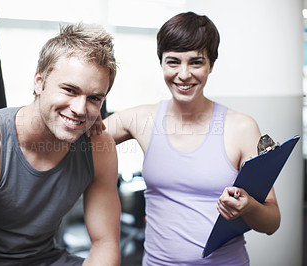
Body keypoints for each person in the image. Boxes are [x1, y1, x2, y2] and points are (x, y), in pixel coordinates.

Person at [0, 23, 121, 266]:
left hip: (47, 260)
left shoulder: (97, 147)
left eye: (94, 98)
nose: (80, 109)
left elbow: (105, 244)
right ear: (39, 82)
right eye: (70, 90)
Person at [102, 12, 280, 265]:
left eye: (196, 62)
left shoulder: (242, 127)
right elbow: (79, 140)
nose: (183, 74)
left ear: (211, 65)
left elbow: (272, 223)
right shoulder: (142, 119)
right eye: (173, 62)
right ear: (161, 63)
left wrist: (249, 207)